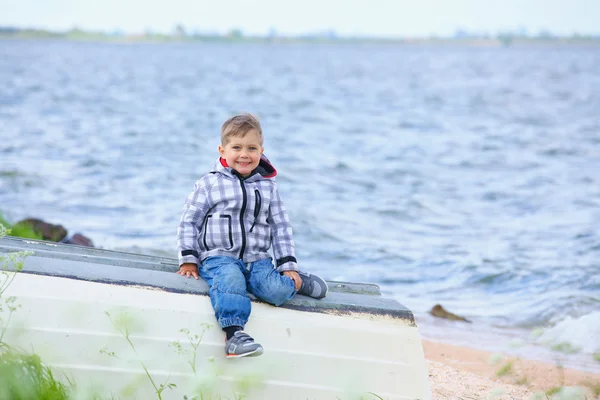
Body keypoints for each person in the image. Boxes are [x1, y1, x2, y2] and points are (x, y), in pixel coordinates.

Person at [176, 113, 328, 358]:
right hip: (219, 257)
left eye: (251, 148)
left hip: (257, 259)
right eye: (236, 147)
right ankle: (234, 335)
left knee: (274, 291)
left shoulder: (268, 187)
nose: (244, 154)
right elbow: (188, 221)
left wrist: (288, 264)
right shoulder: (209, 184)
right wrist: (188, 258)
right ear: (222, 150)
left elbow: (281, 226)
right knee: (230, 282)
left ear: (261, 150)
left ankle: (295, 281)